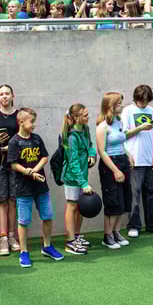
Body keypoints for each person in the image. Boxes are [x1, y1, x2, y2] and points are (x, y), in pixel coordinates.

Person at [7, 108, 64, 267]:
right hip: (23, 189)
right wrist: (28, 172)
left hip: (41, 187)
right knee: (23, 221)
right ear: (21, 122)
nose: (34, 124)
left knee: (47, 216)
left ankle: (47, 246)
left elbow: (44, 157)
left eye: (34, 121)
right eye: (31, 121)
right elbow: (13, 164)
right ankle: (24, 252)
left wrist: (35, 170)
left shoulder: (37, 139)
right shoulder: (14, 142)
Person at [121, 85, 153, 238]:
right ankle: (134, 225)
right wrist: (140, 127)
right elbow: (123, 135)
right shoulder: (127, 111)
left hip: (150, 159)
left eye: (147, 100)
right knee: (134, 194)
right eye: (142, 100)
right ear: (136, 98)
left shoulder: (152, 111)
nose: (145, 103)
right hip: (134, 159)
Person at [96, 92, 141, 248]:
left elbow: (121, 142)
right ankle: (107, 236)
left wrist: (128, 155)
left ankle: (116, 232)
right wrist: (115, 170)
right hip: (110, 165)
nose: (122, 106)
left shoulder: (118, 122)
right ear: (111, 106)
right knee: (113, 201)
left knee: (124, 199)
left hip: (122, 161)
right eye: (119, 104)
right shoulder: (102, 127)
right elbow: (102, 151)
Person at [0, 84, 21, 255]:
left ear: (13, 96)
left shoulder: (19, 115)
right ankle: (3, 238)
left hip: (16, 163)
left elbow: (23, 138)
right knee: (2, 201)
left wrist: (7, 148)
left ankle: (13, 235)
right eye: (1, 94)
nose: (4, 96)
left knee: (13, 200)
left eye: (7, 93)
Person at [61, 104, 97, 255]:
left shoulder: (85, 129)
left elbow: (90, 145)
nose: (88, 117)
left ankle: (76, 236)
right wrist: (83, 183)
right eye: (85, 115)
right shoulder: (71, 137)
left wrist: (92, 155)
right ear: (76, 118)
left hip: (83, 176)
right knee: (72, 206)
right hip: (72, 177)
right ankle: (70, 242)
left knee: (81, 207)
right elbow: (73, 162)